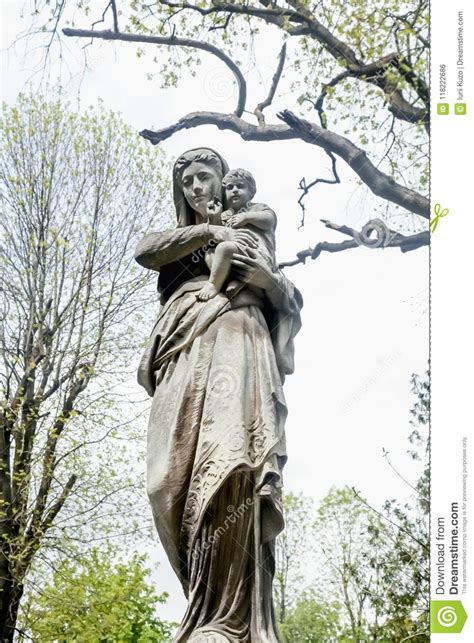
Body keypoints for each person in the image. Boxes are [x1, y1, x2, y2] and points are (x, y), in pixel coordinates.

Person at [135, 148, 303, 643]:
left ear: (223, 181)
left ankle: (227, 619)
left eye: (204, 177)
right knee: (166, 479)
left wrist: (265, 279)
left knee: (231, 460)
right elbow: (146, 250)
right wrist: (211, 232)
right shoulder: (181, 239)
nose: (195, 187)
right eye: (186, 180)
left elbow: (288, 297)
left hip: (237, 338)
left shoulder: (252, 227)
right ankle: (203, 604)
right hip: (183, 351)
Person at [196, 168, 277, 302]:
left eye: (240, 186)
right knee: (210, 253)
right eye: (230, 187)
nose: (234, 190)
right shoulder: (226, 215)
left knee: (224, 248)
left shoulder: (257, 208)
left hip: (256, 252)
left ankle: (213, 285)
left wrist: (246, 217)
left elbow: (269, 220)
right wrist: (214, 217)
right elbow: (216, 234)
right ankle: (233, 280)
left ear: (251, 192)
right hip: (233, 255)